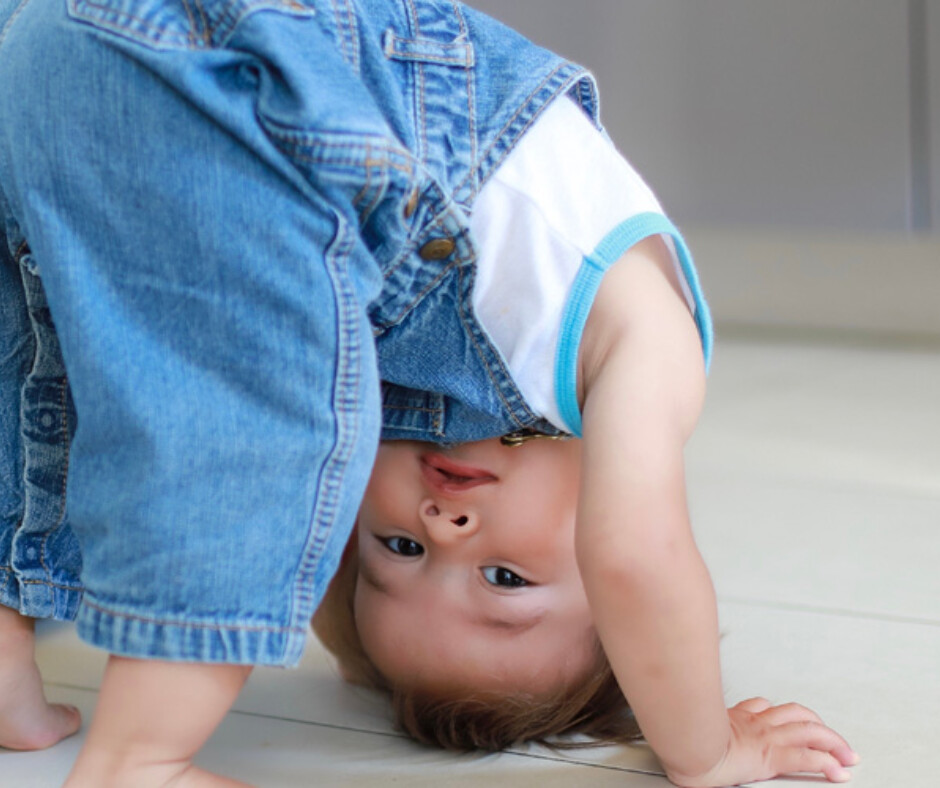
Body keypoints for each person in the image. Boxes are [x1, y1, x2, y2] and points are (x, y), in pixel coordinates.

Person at [0, 0, 856, 785]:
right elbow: (639, 559)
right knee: (257, 427)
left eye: (399, 553)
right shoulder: (646, 344)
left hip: (47, 52)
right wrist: (707, 750)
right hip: (237, 65)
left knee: (47, 365)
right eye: (506, 577)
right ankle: (140, 757)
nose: (443, 529)